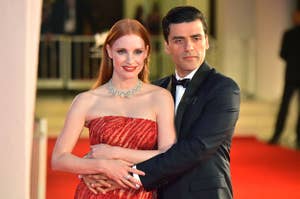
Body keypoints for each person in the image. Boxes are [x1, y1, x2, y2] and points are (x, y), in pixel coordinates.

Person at [84, 6, 240, 199]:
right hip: (159, 193)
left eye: (196, 38)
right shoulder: (155, 91)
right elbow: (134, 142)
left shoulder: (223, 89)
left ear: (207, 41)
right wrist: (93, 166)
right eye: (178, 40)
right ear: (166, 46)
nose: (189, 47)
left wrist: (128, 175)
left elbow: (196, 149)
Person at [51, 18, 176, 199]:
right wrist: (102, 165)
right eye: (121, 51)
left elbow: (168, 155)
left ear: (147, 52)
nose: (130, 60)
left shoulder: (160, 97)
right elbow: (59, 159)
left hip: (141, 194)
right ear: (109, 51)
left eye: (137, 51)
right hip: (96, 194)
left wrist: (115, 154)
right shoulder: (86, 100)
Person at [269, 11, 300, 148]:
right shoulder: (288, 33)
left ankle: (278, 135)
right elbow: (282, 54)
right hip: (291, 75)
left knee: (285, 106)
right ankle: (279, 135)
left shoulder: (289, 34)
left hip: (292, 73)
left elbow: (283, 54)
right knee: (284, 106)